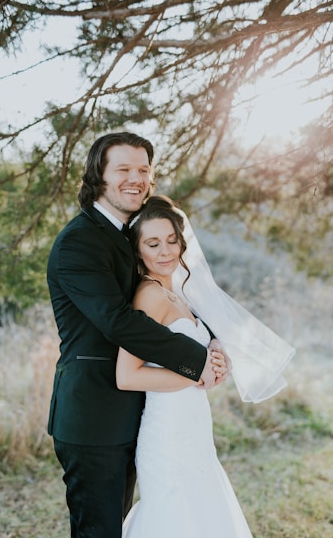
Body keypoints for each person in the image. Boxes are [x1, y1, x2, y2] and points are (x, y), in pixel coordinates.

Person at [46, 132, 229, 538]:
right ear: (99, 175)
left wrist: (211, 340)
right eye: (123, 169)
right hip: (94, 416)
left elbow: (167, 291)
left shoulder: (129, 235)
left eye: (143, 170)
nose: (136, 178)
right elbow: (117, 321)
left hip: (140, 416)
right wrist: (196, 361)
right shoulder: (81, 241)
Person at [116, 195, 253, 538]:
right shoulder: (148, 296)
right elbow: (127, 375)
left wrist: (217, 353)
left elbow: (196, 349)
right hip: (167, 432)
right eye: (153, 243)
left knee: (203, 512)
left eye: (171, 240)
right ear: (138, 251)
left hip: (194, 426)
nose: (165, 251)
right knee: (174, 516)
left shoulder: (177, 292)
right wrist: (195, 373)